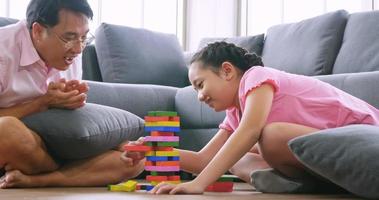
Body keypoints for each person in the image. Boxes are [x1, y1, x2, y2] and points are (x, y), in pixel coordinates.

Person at [121, 41, 379, 194]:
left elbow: (251, 131)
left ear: (227, 71)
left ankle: (301, 181)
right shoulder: (236, 111)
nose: (200, 96)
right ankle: (300, 184)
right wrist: (154, 151)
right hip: (320, 151)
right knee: (238, 158)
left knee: (268, 135)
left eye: (200, 85)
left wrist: (198, 185)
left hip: (361, 135)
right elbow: (203, 160)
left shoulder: (256, 77)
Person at [0, 0, 143, 188]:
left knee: (134, 160)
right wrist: (42, 103)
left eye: (84, 38)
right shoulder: (3, 51)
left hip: (51, 144)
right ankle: (73, 172)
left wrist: (118, 144)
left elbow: (73, 131)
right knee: (6, 130)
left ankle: (38, 180)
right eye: (69, 37)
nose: (78, 49)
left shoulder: (73, 51)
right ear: (37, 31)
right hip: (20, 141)